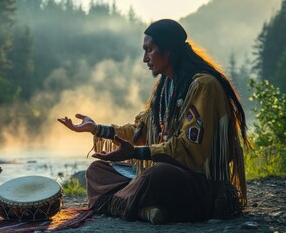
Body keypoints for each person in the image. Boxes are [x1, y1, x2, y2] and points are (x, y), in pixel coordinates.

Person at [57, 19, 249, 224]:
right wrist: (97, 129)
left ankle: (127, 206)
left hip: (203, 186)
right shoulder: (166, 87)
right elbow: (140, 130)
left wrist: (136, 153)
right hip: (169, 181)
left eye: (149, 50)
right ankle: (146, 210)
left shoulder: (203, 86)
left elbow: (190, 150)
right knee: (97, 170)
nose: (144, 58)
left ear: (169, 51)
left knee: (158, 174)